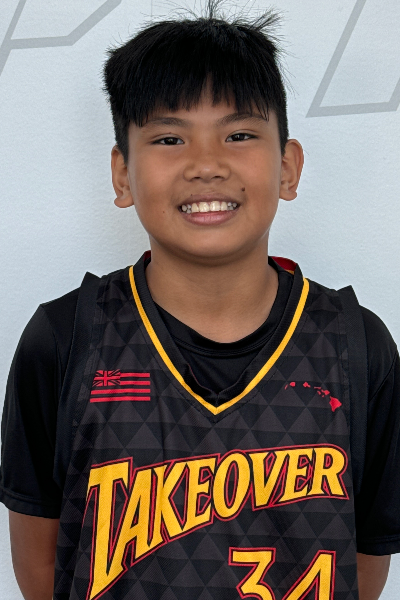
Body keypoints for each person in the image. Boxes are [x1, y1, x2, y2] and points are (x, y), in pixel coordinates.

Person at [1, 2, 399, 599]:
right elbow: (40, 564)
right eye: (169, 138)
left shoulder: (356, 345)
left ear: (287, 168)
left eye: (239, 135)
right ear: (123, 175)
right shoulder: (65, 338)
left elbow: (365, 559)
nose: (206, 164)